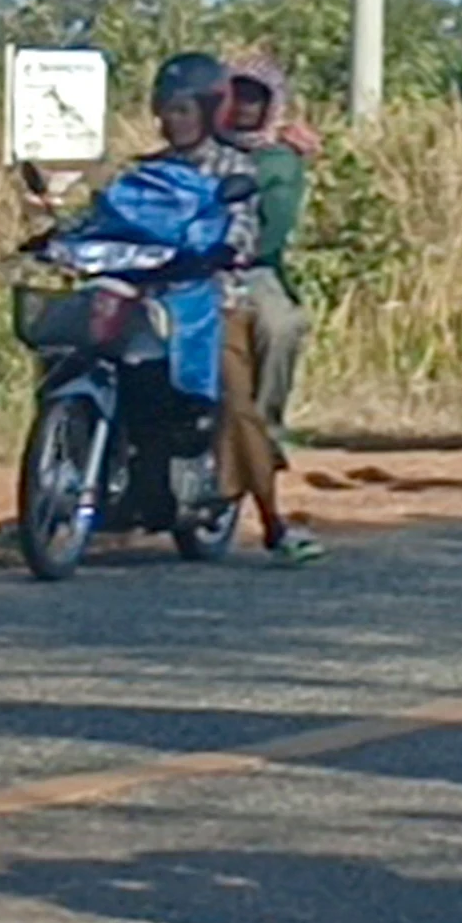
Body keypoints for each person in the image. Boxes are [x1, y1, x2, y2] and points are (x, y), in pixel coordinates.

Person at [148, 53, 319, 566]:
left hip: (213, 292)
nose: (172, 120)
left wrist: (224, 248)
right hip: (148, 290)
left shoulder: (248, 167)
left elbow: (252, 228)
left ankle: (271, 516)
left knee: (235, 389)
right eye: (167, 110)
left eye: (184, 110)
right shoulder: (152, 168)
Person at [220, 58, 315, 444]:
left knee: (281, 326)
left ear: (270, 105)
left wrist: (233, 252)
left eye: (254, 99)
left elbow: (274, 228)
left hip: (249, 267)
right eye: (235, 96)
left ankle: (264, 430)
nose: (243, 107)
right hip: (179, 264)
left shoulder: (278, 160)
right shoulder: (196, 144)